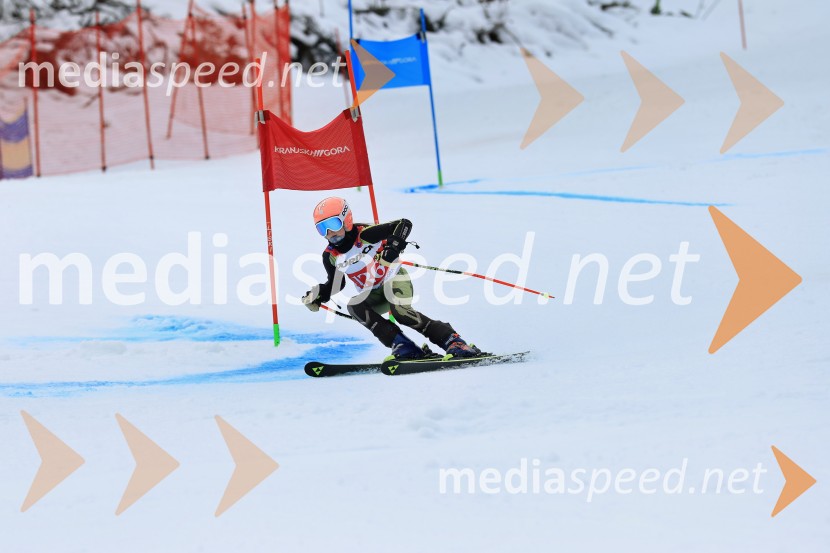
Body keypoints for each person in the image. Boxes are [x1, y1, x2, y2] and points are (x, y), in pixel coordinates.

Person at [302, 196, 482, 360]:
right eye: (322, 228)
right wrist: (318, 295)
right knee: (354, 305)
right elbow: (336, 284)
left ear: (346, 220)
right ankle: (403, 345)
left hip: (394, 278)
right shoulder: (331, 256)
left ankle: (453, 341)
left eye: (333, 224)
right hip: (372, 293)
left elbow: (404, 224)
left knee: (401, 312)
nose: (330, 232)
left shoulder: (365, 234)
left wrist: (392, 248)